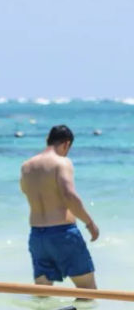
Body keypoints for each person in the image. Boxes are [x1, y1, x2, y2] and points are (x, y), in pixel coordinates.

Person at [19, 124, 98, 289]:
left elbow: (26, 191)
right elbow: (69, 195)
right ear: (66, 143)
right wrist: (89, 223)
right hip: (63, 234)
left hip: (37, 237)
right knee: (88, 292)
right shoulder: (61, 162)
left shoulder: (26, 166)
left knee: (42, 294)